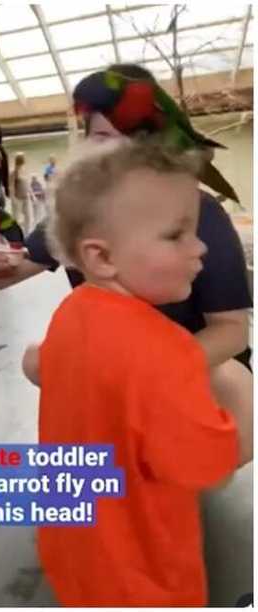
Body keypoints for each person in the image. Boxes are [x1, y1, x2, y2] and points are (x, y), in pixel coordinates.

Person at [0, 64, 252, 452]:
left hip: (188, 364)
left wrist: (152, 370)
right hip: (114, 364)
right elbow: (3, 275)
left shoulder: (197, 210)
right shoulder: (79, 213)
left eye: (133, 137)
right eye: (103, 136)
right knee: (42, 361)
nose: (119, 151)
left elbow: (232, 330)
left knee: (233, 387)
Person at [35, 139, 245, 606]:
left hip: (74, 555)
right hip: (147, 580)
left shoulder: (70, 314)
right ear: (102, 257)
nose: (202, 247)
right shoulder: (165, 351)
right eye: (176, 235)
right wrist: (237, 419)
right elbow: (208, 471)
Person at [10, 152, 34, 232]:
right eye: (23, 158)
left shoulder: (25, 171)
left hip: (26, 198)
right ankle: (15, 234)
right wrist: (13, 199)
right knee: (16, 218)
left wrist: (32, 196)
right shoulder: (13, 172)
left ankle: (27, 234)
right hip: (18, 198)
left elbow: (28, 184)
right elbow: (11, 186)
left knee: (29, 218)